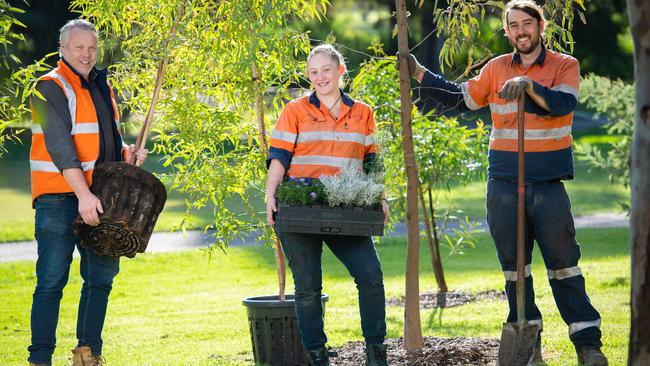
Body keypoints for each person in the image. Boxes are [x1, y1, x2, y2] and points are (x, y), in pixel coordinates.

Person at [402, 1, 607, 365]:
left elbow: (561, 105)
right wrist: (420, 75)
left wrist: (528, 85)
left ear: (540, 26)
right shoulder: (496, 68)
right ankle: (530, 344)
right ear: (507, 31)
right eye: (513, 26)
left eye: (527, 24)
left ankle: (587, 345)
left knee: (564, 264)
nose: (521, 31)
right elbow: (462, 99)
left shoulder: (565, 65)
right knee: (515, 269)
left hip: (547, 184)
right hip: (504, 184)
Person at [27, 19, 147, 366]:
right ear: (62, 48)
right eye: (79, 47)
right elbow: (61, 146)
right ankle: (40, 359)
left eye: (92, 47)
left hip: (100, 197)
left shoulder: (101, 86)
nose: (87, 54)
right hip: (60, 197)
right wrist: (83, 195)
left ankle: (87, 354)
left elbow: (105, 139)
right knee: (51, 280)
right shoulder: (49, 86)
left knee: (101, 279)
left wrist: (127, 154)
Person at [266, 44, 390, 366]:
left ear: (340, 71)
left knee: (371, 276)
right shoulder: (294, 110)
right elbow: (279, 157)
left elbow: (372, 162)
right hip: (300, 208)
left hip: (346, 207)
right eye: (313, 72)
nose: (319, 77)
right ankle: (318, 356)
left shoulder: (363, 112)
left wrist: (380, 196)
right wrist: (271, 195)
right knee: (307, 287)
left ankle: (376, 354)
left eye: (326, 70)